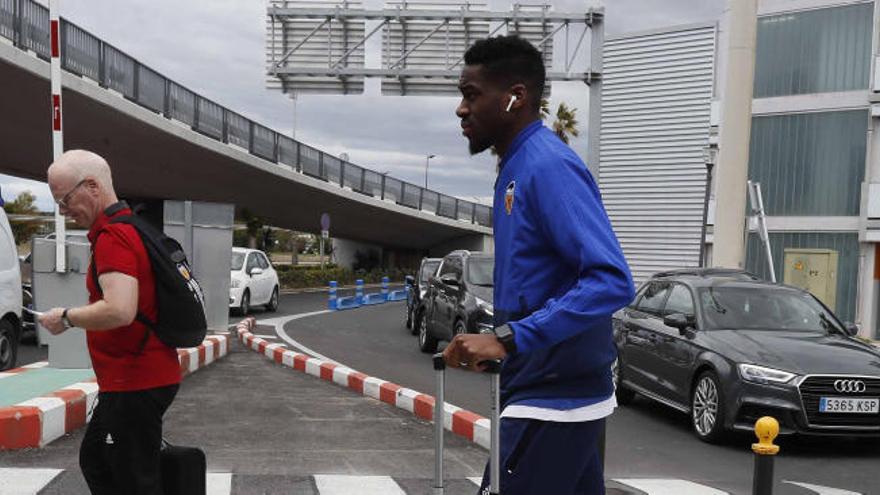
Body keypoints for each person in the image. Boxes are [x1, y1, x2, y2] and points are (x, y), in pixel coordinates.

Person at [443, 35, 635, 494]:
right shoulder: (517, 166)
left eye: (471, 95)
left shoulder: (547, 166)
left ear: (515, 97)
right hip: (550, 395)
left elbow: (611, 280)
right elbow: (538, 286)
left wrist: (508, 340)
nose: (461, 109)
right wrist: (496, 347)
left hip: (551, 405)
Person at [39, 150, 181, 495]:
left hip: (134, 380)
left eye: (65, 200)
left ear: (92, 186)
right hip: (135, 378)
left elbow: (120, 309)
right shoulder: (130, 228)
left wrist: (67, 318)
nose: (63, 211)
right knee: (100, 461)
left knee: (129, 479)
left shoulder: (114, 238)